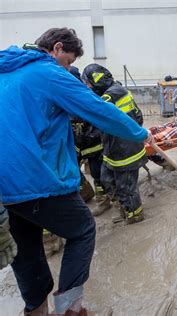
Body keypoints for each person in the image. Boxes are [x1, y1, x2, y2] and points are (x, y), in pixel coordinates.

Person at [0, 28, 152, 315]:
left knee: (26, 249)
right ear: (56, 48)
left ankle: (35, 309)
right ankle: (70, 308)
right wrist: (139, 132)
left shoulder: (6, 72)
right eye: (68, 61)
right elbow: (98, 110)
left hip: (4, 189)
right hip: (35, 176)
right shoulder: (47, 73)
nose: (69, 68)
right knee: (82, 229)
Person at [82, 64, 148, 224]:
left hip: (126, 151)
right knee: (106, 179)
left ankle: (135, 216)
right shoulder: (116, 89)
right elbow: (138, 117)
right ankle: (124, 207)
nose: (87, 87)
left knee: (126, 187)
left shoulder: (108, 98)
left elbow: (99, 123)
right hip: (113, 149)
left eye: (88, 84)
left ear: (95, 83)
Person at [69, 66, 107, 213]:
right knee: (75, 174)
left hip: (93, 142)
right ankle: (84, 197)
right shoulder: (63, 92)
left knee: (97, 173)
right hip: (76, 144)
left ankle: (103, 200)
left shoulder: (87, 93)